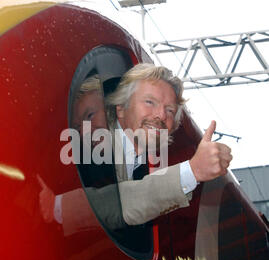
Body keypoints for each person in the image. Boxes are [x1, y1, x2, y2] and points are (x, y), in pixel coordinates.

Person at [38, 65, 232, 230]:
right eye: (150, 102)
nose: (161, 115)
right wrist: (193, 170)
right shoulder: (89, 161)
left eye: (170, 110)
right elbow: (123, 201)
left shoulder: (142, 162)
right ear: (120, 108)